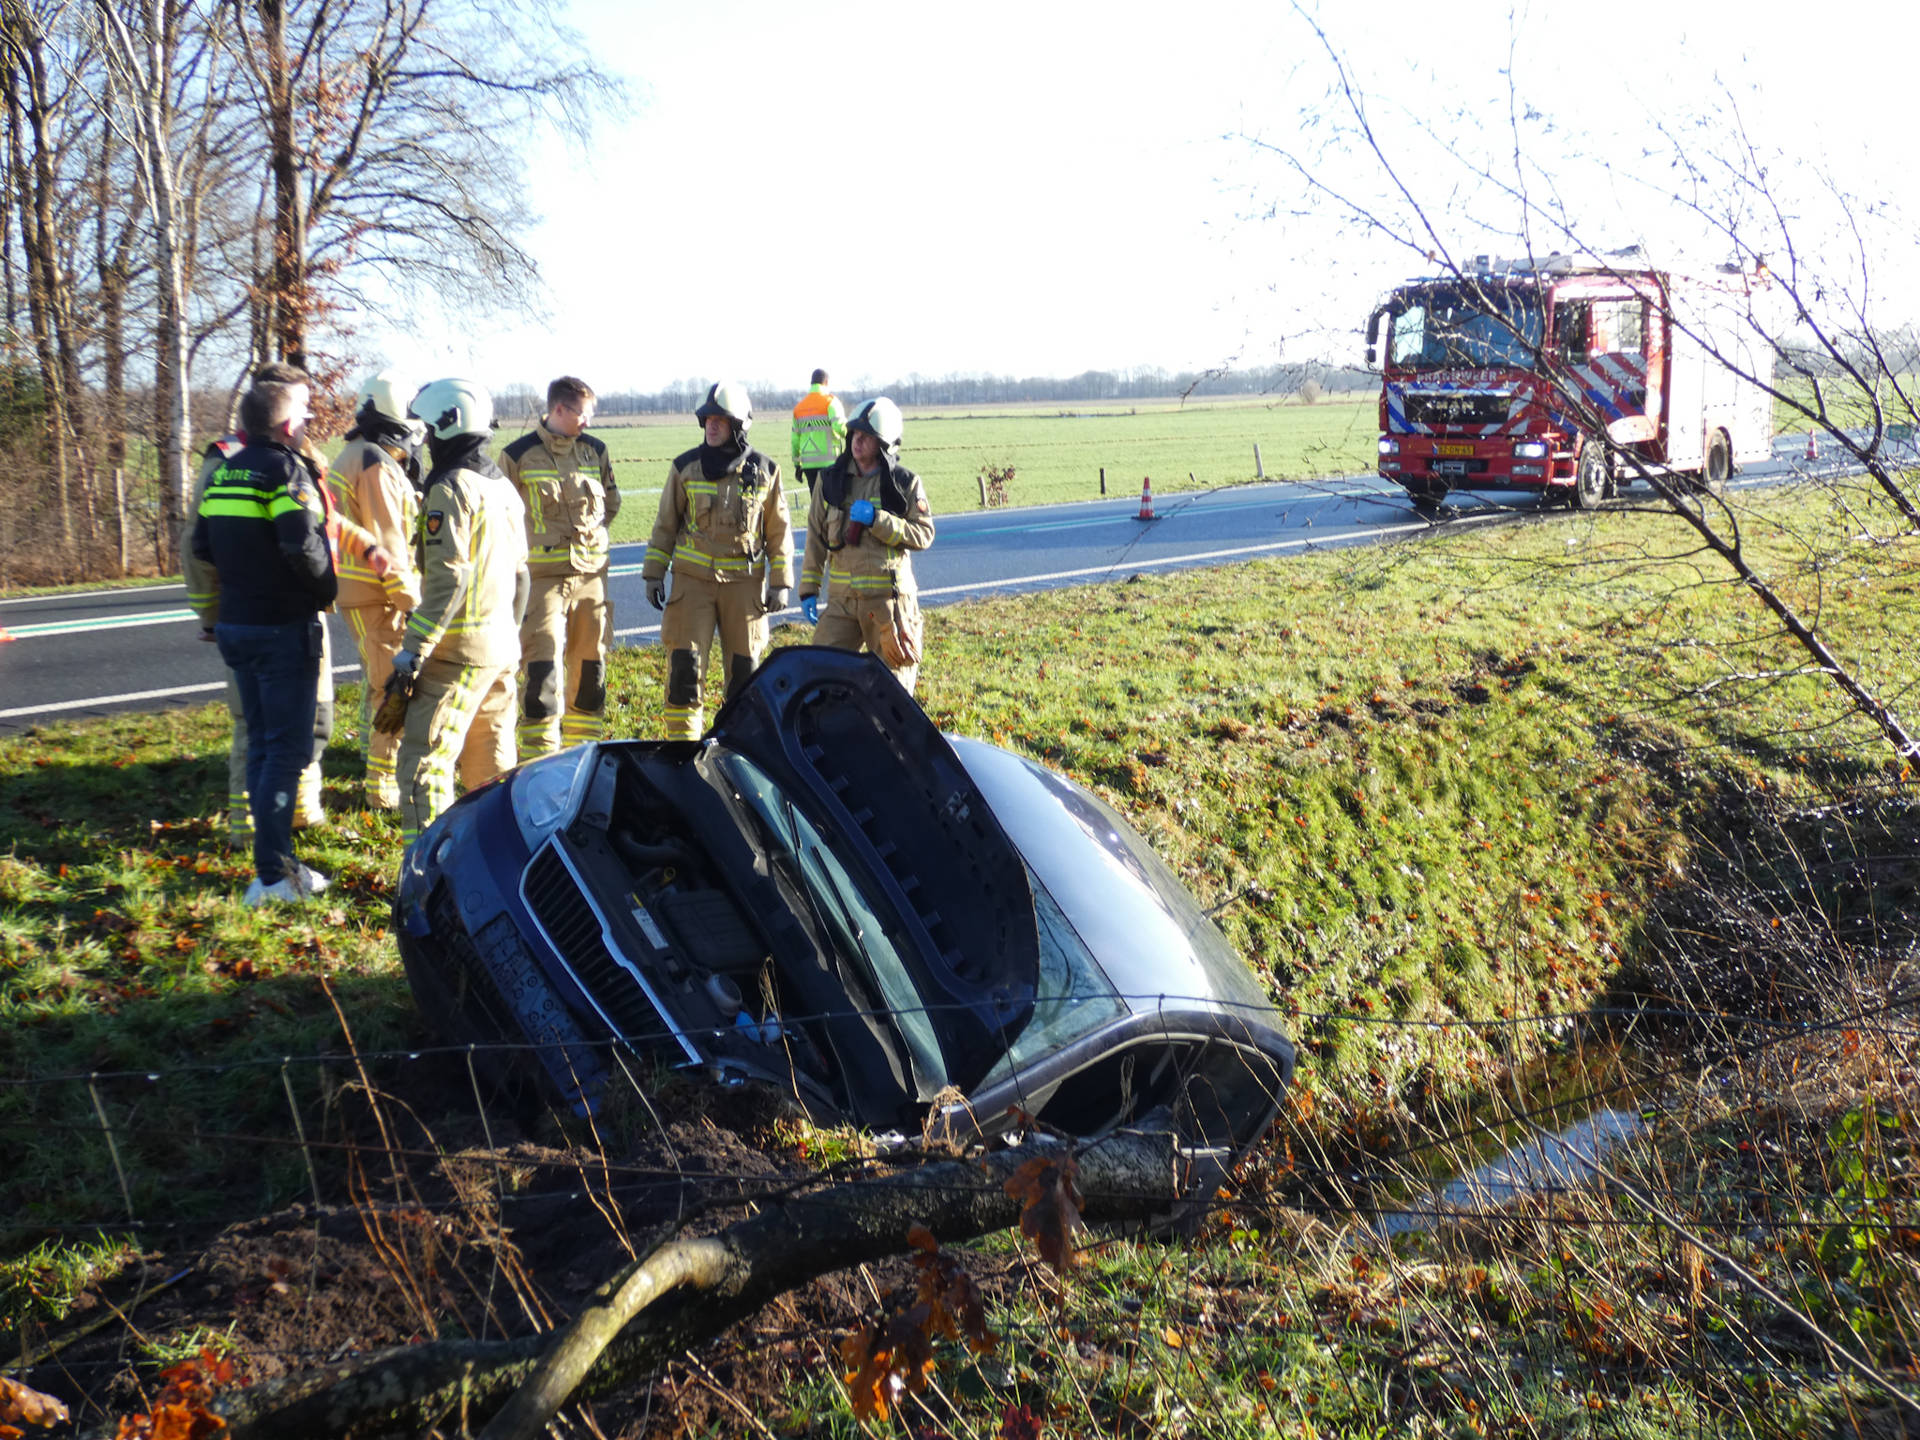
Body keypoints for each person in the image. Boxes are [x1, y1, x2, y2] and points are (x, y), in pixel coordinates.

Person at [185, 362, 374, 845]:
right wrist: (210, 613)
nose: (309, 416)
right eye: (301, 406)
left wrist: (367, 548)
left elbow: (321, 521)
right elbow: (197, 548)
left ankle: (299, 813)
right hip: (256, 611)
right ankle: (250, 831)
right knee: (259, 727)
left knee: (312, 719)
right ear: (276, 408)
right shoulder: (228, 459)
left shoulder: (303, 456)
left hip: (300, 610)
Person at [190, 370, 336, 903]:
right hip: (281, 627)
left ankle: (272, 866)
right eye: (304, 418)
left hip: (236, 625)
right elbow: (302, 547)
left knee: (259, 744)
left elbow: (202, 544)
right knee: (285, 751)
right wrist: (326, 590)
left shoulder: (226, 473)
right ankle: (274, 876)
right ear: (289, 423)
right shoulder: (284, 473)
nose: (308, 426)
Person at [393, 378, 531, 844]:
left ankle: (428, 873)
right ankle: (500, 857)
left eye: (431, 431)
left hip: (457, 653)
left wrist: (414, 649)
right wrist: (509, 636)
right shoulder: (503, 488)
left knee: (423, 763)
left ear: (449, 425)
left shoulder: (450, 489)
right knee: (491, 768)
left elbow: (449, 578)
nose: (427, 442)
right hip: (501, 649)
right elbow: (521, 573)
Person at [641, 381, 792, 739]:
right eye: (707, 419)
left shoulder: (765, 472)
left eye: (719, 421)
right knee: (684, 673)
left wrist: (780, 583)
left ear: (738, 426)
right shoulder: (685, 468)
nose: (711, 426)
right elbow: (665, 525)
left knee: (745, 676)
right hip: (691, 587)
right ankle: (682, 754)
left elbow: (778, 532)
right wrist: (653, 574)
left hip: (744, 587)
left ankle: (738, 749)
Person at [500, 375, 621, 758]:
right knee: (542, 666)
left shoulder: (595, 451)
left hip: (591, 578)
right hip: (541, 581)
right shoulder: (517, 456)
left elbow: (611, 503)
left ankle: (583, 752)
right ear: (559, 410)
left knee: (591, 665)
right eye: (583, 414)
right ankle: (541, 756)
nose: (588, 422)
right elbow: (502, 517)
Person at [329, 370, 426, 809]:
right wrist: (412, 602)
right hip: (379, 595)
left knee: (382, 682)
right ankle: (382, 790)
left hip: (362, 593)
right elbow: (390, 540)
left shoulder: (359, 454)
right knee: (393, 686)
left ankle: (382, 776)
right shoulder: (374, 464)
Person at [797, 397, 933, 693]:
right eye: (855, 434)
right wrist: (808, 589)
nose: (857, 442)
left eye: (867, 436)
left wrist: (879, 520)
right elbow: (815, 537)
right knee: (818, 677)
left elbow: (923, 534)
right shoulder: (830, 481)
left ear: (885, 443)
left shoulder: (904, 483)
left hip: (888, 605)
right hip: (842, 603)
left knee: (892, 692)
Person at [789, 367, 846, 495]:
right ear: (826, 382)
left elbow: (795, 440)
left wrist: (797, 464)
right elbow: (839, 427)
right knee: (832, 505)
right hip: (830, 463)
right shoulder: (830, 402)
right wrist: (853, 434)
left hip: (808, 465)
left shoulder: (799, 408)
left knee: (816, 505)